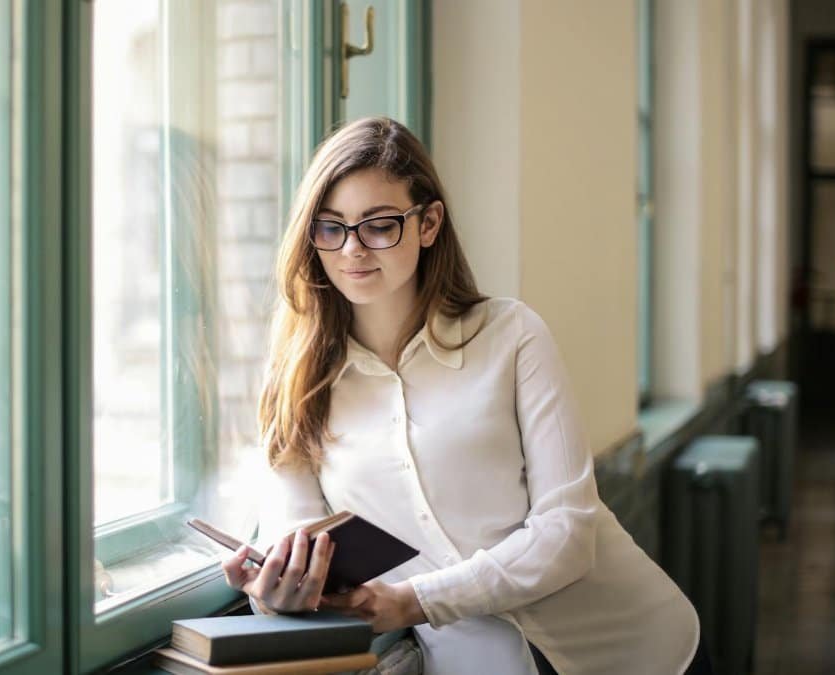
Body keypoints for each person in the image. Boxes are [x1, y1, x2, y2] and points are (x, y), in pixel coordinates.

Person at [220, 117, 705, 674]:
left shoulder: (512, 335)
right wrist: (276, 593)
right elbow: (296, 541)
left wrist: (415, 600)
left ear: (428, 223)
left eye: (379, 225)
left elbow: (569, 531)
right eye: (330, 228)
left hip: (633, 651)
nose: (352, 249)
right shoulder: (297, 384)